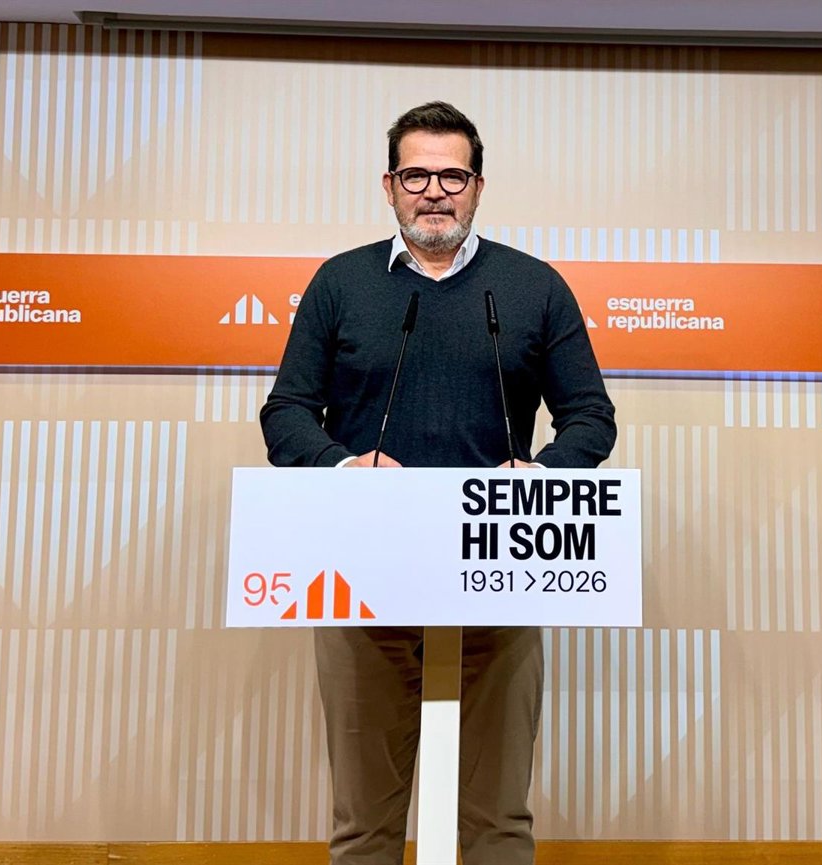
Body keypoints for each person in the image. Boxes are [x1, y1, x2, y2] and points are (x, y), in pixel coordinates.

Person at [259, 101, 616, 865]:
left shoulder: (533, 286)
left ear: (477, 186)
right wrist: (344, 466)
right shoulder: (340, 282)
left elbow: (591, 417)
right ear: (389, 185)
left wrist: (543, 472)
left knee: (498, 823)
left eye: (452, 176)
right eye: (416, 174)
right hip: (362, 580)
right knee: (364, 826)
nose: (434, 192)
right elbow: (286, 414)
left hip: (499, 576)